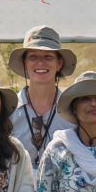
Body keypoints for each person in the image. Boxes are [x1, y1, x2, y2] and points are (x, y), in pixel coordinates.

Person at [7, 25, 77, 167]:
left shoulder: (73, 110)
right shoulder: (8, 110)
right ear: (25, 63)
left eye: (48, 56)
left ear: (59, 63)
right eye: (33, 57)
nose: (40, 62)